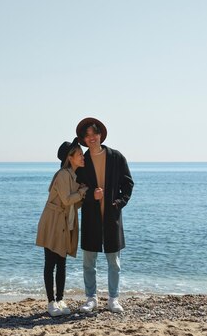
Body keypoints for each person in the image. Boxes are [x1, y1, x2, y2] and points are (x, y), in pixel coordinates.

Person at [75, 117, 134, 313]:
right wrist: (91, 195)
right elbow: (77, 189)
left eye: (94, 133)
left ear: (100, 134)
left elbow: (128, 184)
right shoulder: (82, 161)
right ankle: (91, 298)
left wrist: (119, 203)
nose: (91, 138)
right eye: (87, 135)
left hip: (111, 217)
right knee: (88, 262)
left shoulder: (116, 157)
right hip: (91, 217)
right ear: (84, 139)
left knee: (114, 262)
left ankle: (113, 299)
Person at [36, 137, 88, 317]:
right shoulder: (63, 175)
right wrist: (82, 192)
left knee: (62, 263)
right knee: (51, 262)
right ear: (70, 157)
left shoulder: (73, 175)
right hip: (53, 221)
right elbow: (67, 200)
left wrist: (81, 194)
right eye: (80, 154)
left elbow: (73, 203)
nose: (83, 157)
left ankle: (60, 299)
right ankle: (51, 302)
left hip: (65, 221)